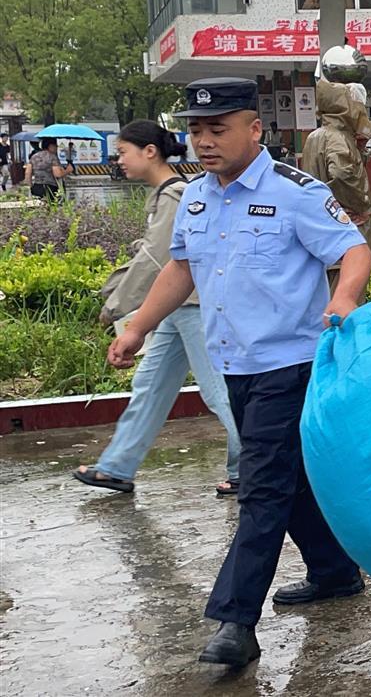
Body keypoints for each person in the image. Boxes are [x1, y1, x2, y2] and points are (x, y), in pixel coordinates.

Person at [107, 78, 371, 669]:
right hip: (234, 362)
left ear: (255, 129)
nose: (203, 141)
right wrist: (139, 325)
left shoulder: (295, 191)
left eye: (217, 129)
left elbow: (353, 250)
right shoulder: (197, 198)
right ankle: (334, 572)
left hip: (290, 363)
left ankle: (235, 621)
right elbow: (183, 269)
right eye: (196, 130)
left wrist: (345, 297)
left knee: (262, 487)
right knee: (289, 477)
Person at [74, 120, 240, 497]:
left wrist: (116, 305)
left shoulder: (175, 196)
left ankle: (249, 467)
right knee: (149, 387)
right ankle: (117, 467)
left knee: (220, 391)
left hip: (195, 306)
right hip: (174, 310)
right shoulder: (170, 195)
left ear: (150, 152)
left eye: (122, 152)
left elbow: (155, 260)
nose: (119, 161)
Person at [302, 80, 371, 299]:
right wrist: (362, 204)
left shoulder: (316, 136)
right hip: (348, 227)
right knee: (348, 298)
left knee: (329, 295)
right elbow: (343, 174)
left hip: (323, 226)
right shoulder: (339, 138)